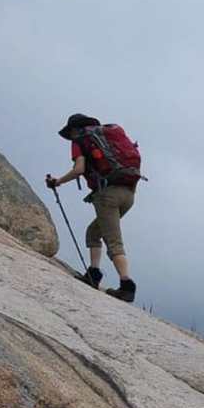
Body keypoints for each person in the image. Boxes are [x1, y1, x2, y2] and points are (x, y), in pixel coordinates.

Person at [47, 113, 141, 303]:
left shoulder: (80, 141)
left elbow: (79, 169)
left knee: (113, 241)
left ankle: (127, 285)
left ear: (74, 129)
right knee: (93, 232)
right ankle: (94, 273)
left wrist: (58, 182)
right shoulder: (108, 135)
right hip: (129, 193)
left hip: (107, 195)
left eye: (70, 131)